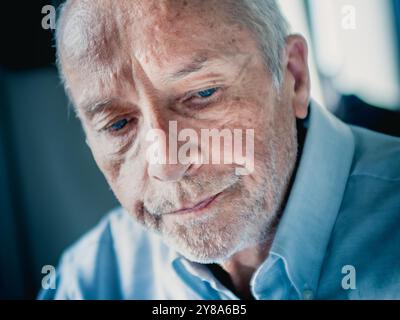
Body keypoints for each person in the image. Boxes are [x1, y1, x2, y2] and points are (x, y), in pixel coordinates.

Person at [40, 0, 400, 300]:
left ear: (294, 76)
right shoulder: (89, 282)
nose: (167, 162)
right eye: (118, 125)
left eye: (202, 95)